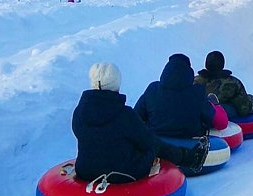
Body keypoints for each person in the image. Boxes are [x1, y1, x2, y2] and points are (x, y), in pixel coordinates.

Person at [72, 62, 208, 183]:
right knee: (150, 147)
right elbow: (150, 143)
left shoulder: (79, 112)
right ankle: (188, 158)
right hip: (122, 174)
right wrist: (183, 156)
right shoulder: (124, 115)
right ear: (116, 84)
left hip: (85, 170)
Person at [134, 53, 219, 138]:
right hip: (191, 144)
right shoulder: (198, 92)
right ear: (189, 71)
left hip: (157, 144)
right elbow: (210, 118)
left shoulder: (152, 89)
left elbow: (137, 115)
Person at [195, 50, 253, 119]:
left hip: (198, 113)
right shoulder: (232, 83)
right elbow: (243, 108)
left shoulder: (195, 81)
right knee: (245, 101)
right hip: (220, 115)